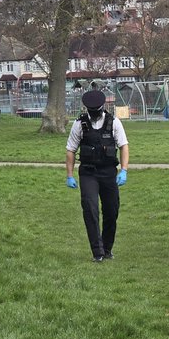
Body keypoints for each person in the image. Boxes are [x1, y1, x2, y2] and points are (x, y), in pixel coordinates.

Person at [65, 89, 128, 262]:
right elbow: (70, 150)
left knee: (111, 211)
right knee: (90, 209)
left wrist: (124, 170)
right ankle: (97, 252)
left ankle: (107, 248)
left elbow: (123, 146)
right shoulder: (79, 124)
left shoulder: (114, 123)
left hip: (108, 173)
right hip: (88, 173)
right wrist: (69, 175)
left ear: (103, 107)